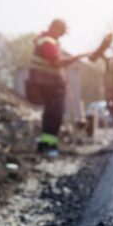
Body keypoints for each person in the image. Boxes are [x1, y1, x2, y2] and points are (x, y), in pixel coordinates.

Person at [27, 19, 90, 156]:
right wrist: (79, 56)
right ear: (55, 28)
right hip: (49, 85)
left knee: (52, 114)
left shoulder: (44, 40)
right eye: (61, 32)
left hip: (48, 84)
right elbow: (57, 62)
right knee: (54, 115)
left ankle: (46, 144)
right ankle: (49, 146)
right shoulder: (48, 42)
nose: (61, 36)